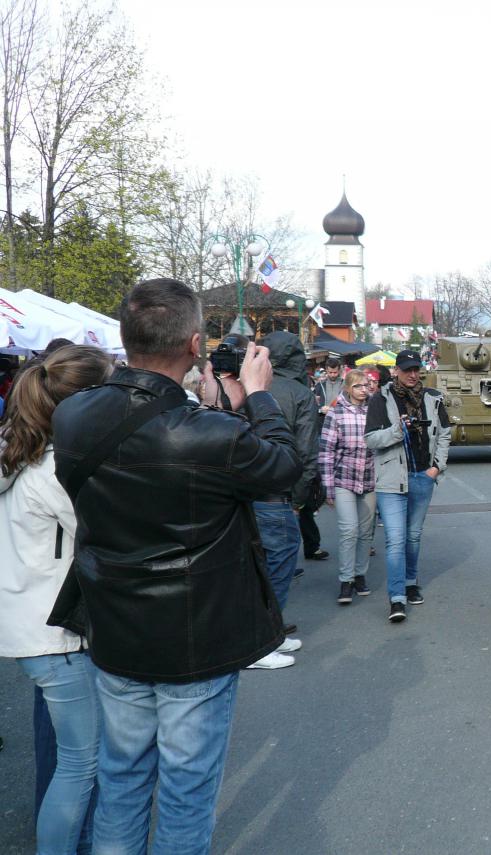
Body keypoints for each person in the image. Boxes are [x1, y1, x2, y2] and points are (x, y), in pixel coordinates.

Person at [50, 278, 300, 855]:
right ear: (194, 344)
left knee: (122, 778)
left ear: (126, 338)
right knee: (186, 790)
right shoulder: (209, 434)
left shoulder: (74, 414)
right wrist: (258, 395)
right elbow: (284, 467)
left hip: (116, 624)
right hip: (195, 636)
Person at [1, 346, 111, 855]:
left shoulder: (20, 449)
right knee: (80, 764)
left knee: (72, 759)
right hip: (57, 634)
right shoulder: (52, 469)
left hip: (33, 625)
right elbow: (104, 534)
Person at [365, 349, 451, 622]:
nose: (413, 375)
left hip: (422, 476)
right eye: (407, 370)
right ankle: (397, 598)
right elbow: (370, 439)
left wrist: (436, 468)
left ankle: (410, 582)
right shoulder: (381, 399)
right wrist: (397, 430)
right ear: (396, 371)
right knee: (395, 539)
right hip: (391, 480)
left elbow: (445, 434)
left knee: (413, 536)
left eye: (416, 369)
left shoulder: (432, 398)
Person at [256, 331, 321, 662]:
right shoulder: (299, 393)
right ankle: (263, 640)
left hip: (244, 493)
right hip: (277, 495)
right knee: (279, 566)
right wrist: (298, 500)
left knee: (255, 568)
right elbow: (306, 452)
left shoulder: (249, 386)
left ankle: (270, 633)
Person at [321, 370, 377, 604]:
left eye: (366, 385)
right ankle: (346, 580)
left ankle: (360, 575)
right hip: (344, 478)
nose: (364, 390)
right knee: (349, 530)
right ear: (347, 388)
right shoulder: (336, 413)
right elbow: (326, 452)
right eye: (358, 386)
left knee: (366, 532)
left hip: (370, 478)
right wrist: (328, 488)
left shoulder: (375, 410)